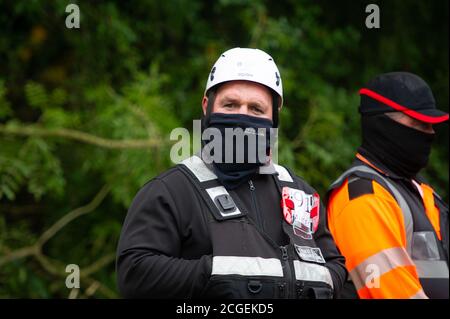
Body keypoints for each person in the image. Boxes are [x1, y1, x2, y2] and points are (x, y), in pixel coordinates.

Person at [116, 47, 347, 299]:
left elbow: (335, 267)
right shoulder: (170, 191)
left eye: (256, 109)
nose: (242, 117)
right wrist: (217, 276)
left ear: (274, 119)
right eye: (230, 104)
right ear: (207, 106)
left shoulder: (299, 193)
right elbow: (134, 273)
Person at [327, 72, 449, 299]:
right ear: (382, 125)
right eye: (420, 124)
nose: (431, 134)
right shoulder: (363, 198)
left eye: (432, 126)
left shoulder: (419, 192)